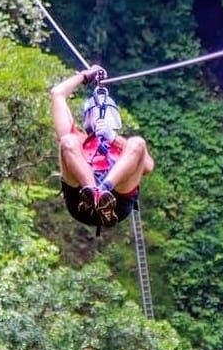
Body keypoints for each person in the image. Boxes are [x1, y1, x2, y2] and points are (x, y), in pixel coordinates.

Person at [50, 65, 154, 229]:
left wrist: (113, 138)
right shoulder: (78, 139)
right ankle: (93, 192)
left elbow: (148, 166)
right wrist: (85, 76)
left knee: (138, 143)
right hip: (80, 200)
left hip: (117, 202)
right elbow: (57, 94)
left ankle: (102, 191)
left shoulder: (125, 147)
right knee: (67, 141)